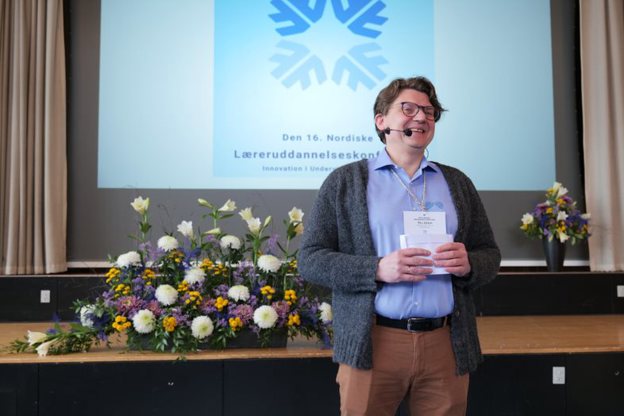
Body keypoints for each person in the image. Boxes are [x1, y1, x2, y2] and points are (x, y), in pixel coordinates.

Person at [298, 76, 501, 416]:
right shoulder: (345, 182)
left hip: (445, 342)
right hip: (373, 341)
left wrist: (470, 265)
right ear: (381, 121)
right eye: (408, 109)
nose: (421, 117)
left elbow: (489, 254)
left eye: (429, 111)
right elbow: (310, 259)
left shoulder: (457, 183)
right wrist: (375, 269)